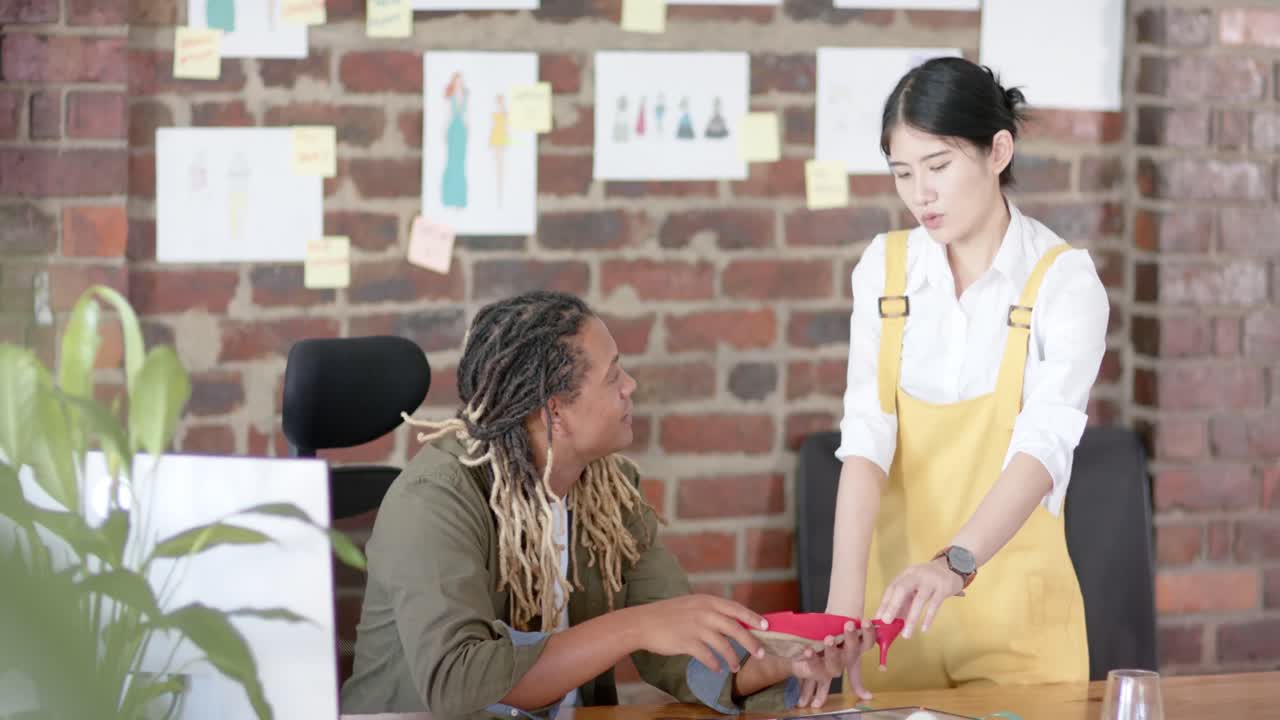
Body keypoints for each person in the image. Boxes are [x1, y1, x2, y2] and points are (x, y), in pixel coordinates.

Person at [340, 291, 852, 718]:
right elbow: (458, 680)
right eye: (613, 376)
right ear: (554, 411)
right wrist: (633, 627)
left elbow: (682, 652)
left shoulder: (609, 492)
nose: (630, 387)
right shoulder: (435, 499)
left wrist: (783, 661)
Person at [819, 56, 1109, 700]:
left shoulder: (1063, 282)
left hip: (1019, 629)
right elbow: (865, 440)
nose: (920, 193)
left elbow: (1044, 446)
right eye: (902, 172)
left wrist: (956, 563)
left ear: (998, 151)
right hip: (900, 622)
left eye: (939, 166)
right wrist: (841, 612)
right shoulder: (884, 271)